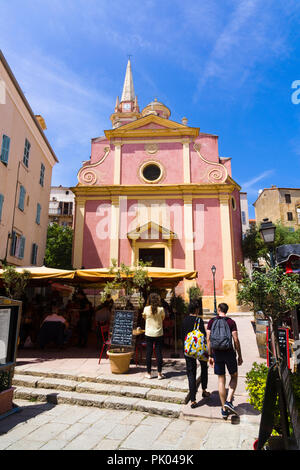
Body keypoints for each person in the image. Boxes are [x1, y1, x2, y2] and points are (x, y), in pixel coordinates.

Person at [206, 302, 243, 419]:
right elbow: (236, 339)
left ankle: (223, 409)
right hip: (229, 353)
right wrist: (239, 355)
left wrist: (210, 356)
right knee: (234, 376)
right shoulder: (231, 322)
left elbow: (208, 339)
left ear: (218, 309)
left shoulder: (211, 322)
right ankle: (228, 401)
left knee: (221, 379)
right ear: (226, 310)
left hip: (217, 353)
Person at [182, 300, 210, 408]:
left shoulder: (184, 320)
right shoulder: (199, 320)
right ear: (197, 309)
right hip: (199, 350)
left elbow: (182, 335)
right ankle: (204, 390)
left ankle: (193, 400)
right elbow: (203, 335)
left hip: (188, 349)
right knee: (204, 367)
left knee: (191, 373)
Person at [142, 292, 165, 379]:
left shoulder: (146, 309)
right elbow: (163, 318)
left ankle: (149, 373)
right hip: (159, 333)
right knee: (159, 353)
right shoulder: (161, 309)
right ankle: (159, 373)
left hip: (149, 333)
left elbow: (144, 318)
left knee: (149, 353)